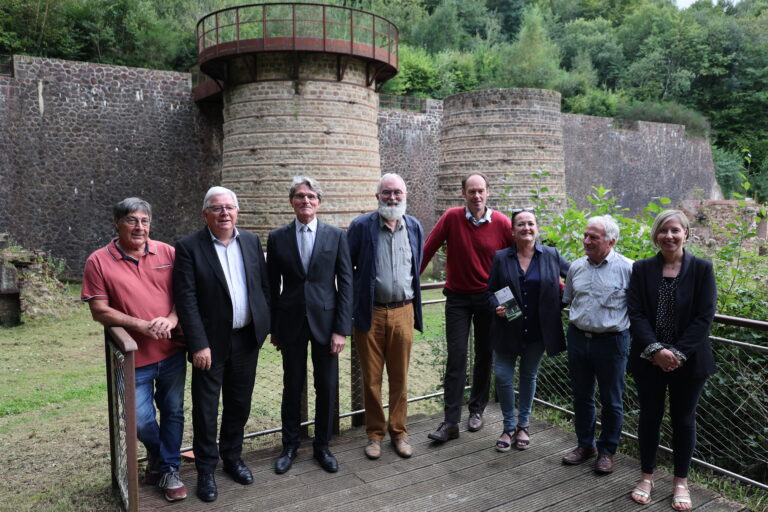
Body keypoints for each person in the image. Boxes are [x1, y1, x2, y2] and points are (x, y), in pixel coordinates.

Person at [82, 197, 187, 502]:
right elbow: (99, 311)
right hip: (131, 358)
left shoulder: (167, 252)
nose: (140, 227)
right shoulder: (98, 261)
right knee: (139, 420)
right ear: (117, 223)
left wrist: (170, 318)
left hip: (171, 353)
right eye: (132, 220)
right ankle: (161, 455)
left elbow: (185, 293)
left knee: (173, 411)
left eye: (145, 221)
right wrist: (140, 326)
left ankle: (168, 468)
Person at [173, 186, 271, 502]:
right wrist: (198, 344)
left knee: (239, 404)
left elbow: (263, 287)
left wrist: (262, 327)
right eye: (217, 208)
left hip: (246, 339)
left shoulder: (252, 242)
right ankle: (205, 470)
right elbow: (186, 299)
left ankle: (232, 458)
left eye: (229, 207)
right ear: (206, 214)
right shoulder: (189, 247)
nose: (224, 213)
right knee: (206, 409)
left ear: (237, 212)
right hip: (209, 345)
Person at [627, 210, 716, 510]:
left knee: (683, 420)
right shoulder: (641, 269)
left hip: (688, 361)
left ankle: (680, 481)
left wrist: (676, 353)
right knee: (649, 417)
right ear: (655, 235)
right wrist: (655, 350)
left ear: (686, 234)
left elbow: (705, 317)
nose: (669, 236)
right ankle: (646, 477)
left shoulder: (702, 269)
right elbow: (636, 313)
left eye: (675, 230)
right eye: (663, 230)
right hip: (649, 358)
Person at [267, 176, 353, 475]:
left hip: (327, 323)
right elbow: (271, 286)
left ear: (319, 202)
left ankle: (322, 446)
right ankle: (289, 446)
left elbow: (346, 283)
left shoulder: (336, 236)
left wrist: (342, 328)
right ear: (292, 201)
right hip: (290, 323)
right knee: (292, 386)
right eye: (300, 196)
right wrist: (274, 329)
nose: (306, 201)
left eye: (311, 196)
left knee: (326, 386)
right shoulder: (277, 237)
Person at [422, 173, 514, 442]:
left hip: (489, 299)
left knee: (485, 355)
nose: (476, 196)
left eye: (481, 191)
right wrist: (409, 283)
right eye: (471, 191)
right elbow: (427, 249)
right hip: (458, 299)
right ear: (463, 194)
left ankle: (477, 411)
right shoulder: (451, 217)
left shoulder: (501, 223)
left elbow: (521, 254)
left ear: (488, 192)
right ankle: (450, 422)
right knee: (456, 358)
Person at [348, 173, 424, 460]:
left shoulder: (414, 227)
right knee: (371, 379)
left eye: (397, 193)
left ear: (405, 195)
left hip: (404, 311)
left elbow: (415, 268)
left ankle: (399, 432)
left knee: (400, 378)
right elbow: (347, 271)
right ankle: (375, 435)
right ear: (377, 196)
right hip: (371, 313)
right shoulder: (360, 227)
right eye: (387, 193)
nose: (392, 197)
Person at [486, 209, 570, 452]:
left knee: (528, 376)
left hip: (538, 330)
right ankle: (508, 426)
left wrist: (562, 301)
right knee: (502, 376)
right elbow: (490, 291)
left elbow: (575, 275)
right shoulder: (502, 257)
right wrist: (496, 306)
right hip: (507, 328)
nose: (526, 228)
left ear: (537, 228)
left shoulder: (551, 255)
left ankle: (523, 425)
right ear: (513, 231)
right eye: (520, 224)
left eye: (530, 224)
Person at [561, 215, 633, 474]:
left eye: (593, 237)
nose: (586, 240)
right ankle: (585, 445)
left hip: (612, 342)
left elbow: (637, 310)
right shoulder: (576, 267)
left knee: (612, 400)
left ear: (611, 241)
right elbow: (568, 299)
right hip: (579, 338)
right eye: (585, 235)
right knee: (581, 397)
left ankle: (607, 451)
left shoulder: (628, 268)